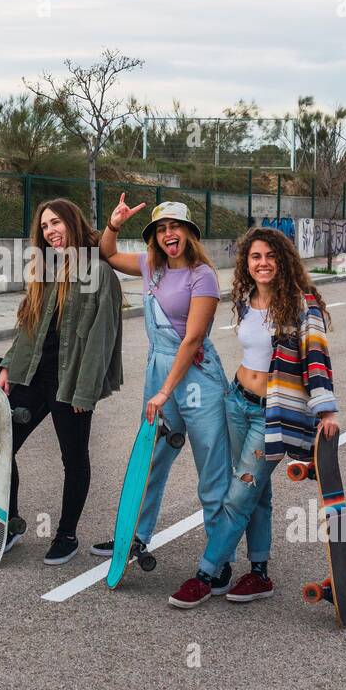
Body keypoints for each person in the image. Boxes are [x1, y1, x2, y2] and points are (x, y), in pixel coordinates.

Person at [167, 225, 339, 609]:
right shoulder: (244, 299)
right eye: (255, 256)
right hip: (236, 402)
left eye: (270, 256)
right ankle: (259, 573)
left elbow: (316, 359)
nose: (263, 263)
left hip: (271, 413)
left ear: (283, 260)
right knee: (256, 493)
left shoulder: (301, 304)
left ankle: (206, 573)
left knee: (240, 493)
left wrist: (326, 409)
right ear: (247, 263)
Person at [99, 196, 234, 580]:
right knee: (152, 456)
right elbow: (107, 254)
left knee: (211, 469)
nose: (168, 234)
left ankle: (219, 560)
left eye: (174, 227)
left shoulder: (202, 276)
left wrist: (164, 392)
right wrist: (114, 223)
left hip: (195, 378)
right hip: (160, 371)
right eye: (161, 229)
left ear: (188, 232)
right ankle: (135, 537)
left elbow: (192, 341)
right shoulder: (149, 266)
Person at [0, 199, 123, 565]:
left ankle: (66, 535)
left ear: (73, 222)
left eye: (57, 223)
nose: (51, 231)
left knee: (74, 458)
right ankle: (12, 523)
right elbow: (29, 326)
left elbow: (102, 338)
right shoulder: (45, 269)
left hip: (69, 382)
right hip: (32, 377)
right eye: (45, 226)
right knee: (2, 447)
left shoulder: (99, 272)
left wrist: (86, 391)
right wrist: (7, 367)